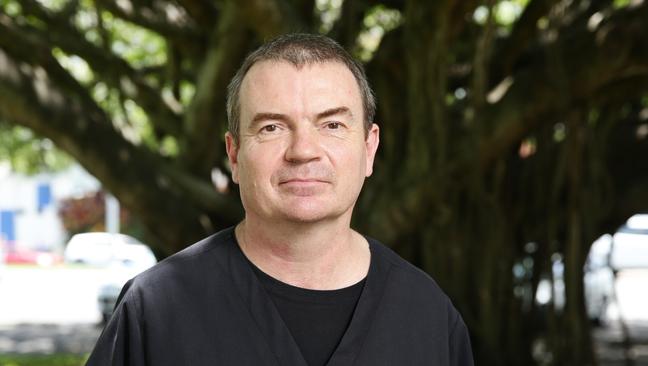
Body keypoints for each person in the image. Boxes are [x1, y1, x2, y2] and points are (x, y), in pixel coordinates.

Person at [87, 33, 474, 366]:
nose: (303, 151)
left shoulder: (429, 316)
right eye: (271, 127)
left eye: (332, 125)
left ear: (369, 148)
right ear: (234, 154)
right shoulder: (156, 309)